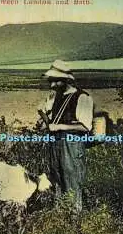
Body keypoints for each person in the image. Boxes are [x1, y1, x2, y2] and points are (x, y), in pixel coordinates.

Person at [36, 60, 94, 212]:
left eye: (54, 81)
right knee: (57, 180)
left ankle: (74, 223)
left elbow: (85, 126)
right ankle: (60, 218)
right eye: (50, 81)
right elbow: (49, 121)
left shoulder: (83, 98)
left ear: (66, 80)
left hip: (72, 146)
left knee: (72, 182)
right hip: (56, 144)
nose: (52, 85)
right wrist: (44, 116)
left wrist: (60, 126)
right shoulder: (55, 97)